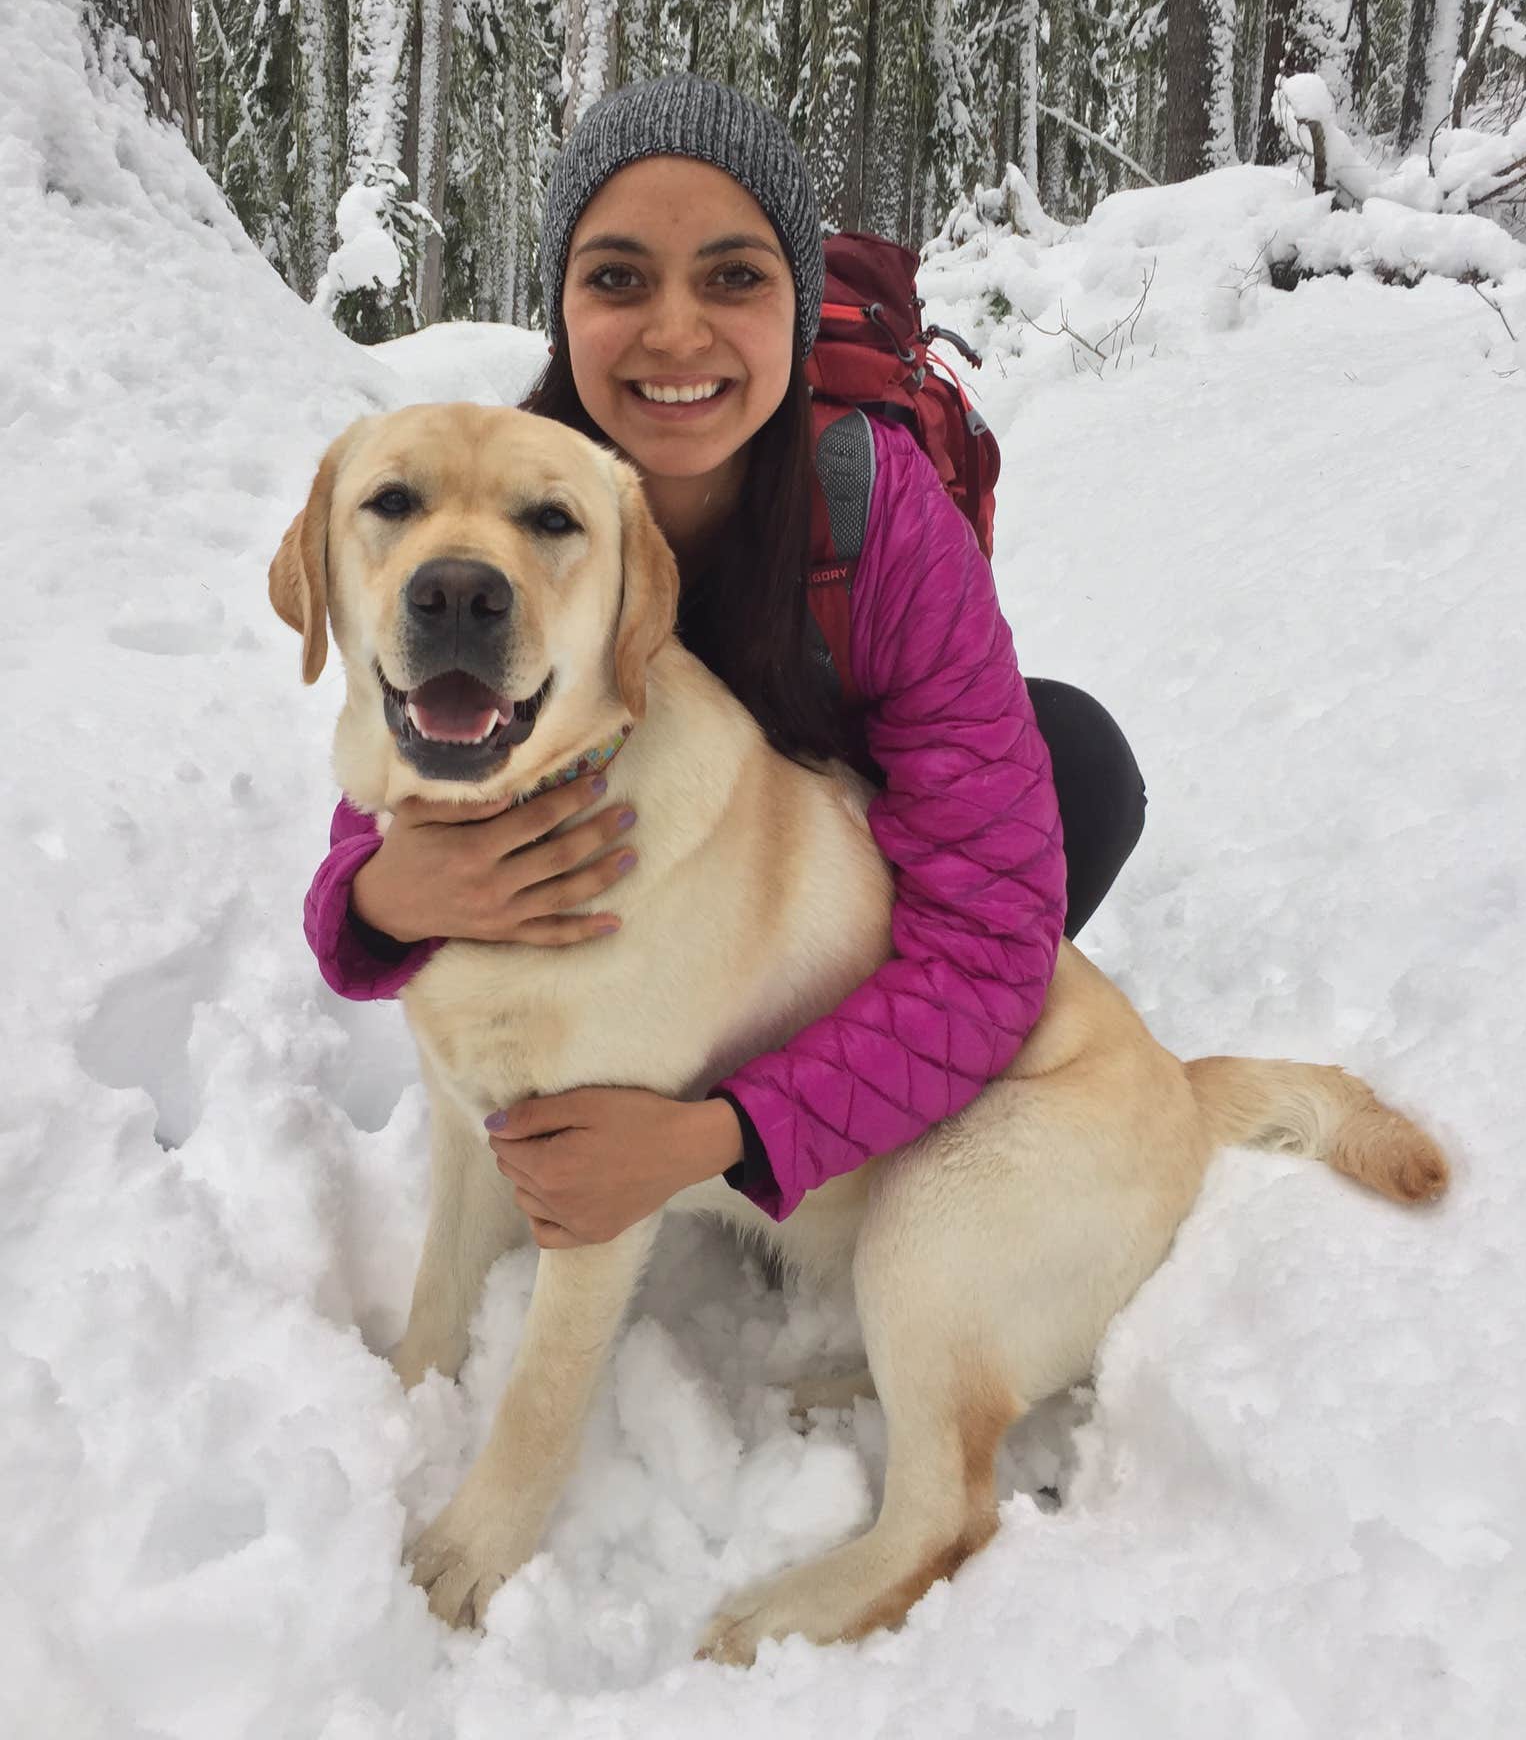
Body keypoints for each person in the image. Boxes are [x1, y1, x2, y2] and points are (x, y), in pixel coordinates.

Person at [303, 74, 1146, 1250]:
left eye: (735, 276)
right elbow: (408, 729)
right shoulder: (508, 476)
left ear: (798, 308)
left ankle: (859, 1113)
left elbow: (994, 942)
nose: (677, 331)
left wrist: (730, 1133)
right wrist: (378, 895)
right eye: (617, 277)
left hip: (816, 891)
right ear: (563, 306)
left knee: (1075, 766)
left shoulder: (877, 509)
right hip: (651, 895)